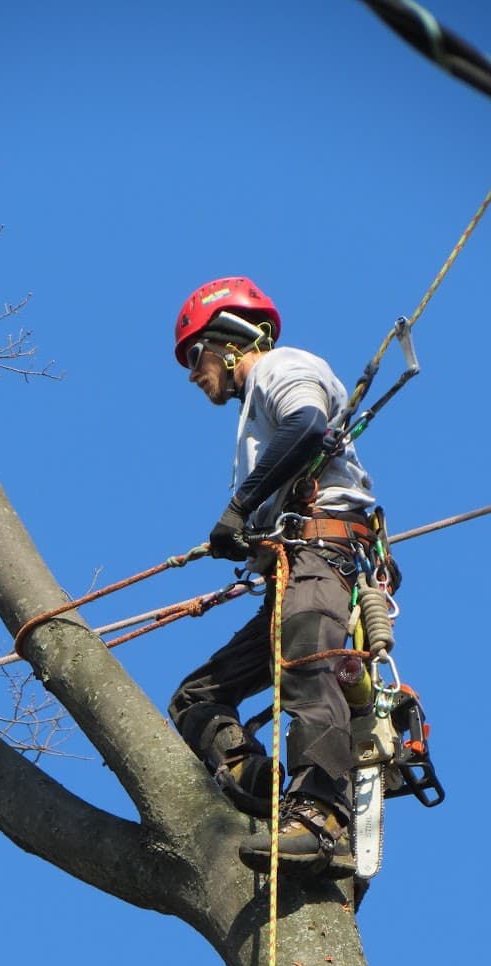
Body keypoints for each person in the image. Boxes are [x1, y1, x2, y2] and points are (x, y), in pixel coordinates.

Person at [168, 276, 376, 876]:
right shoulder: (252, 419)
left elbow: (309, 424)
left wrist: (239, 508)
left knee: (308, 661)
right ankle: (270, 785)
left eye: (194, 356)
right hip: (292, 568)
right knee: (195, 699)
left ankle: (321, 816)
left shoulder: (282, 366)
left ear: (228, 340)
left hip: (323, 555)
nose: (191, 373)